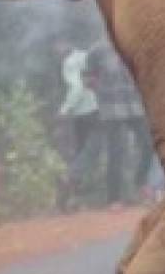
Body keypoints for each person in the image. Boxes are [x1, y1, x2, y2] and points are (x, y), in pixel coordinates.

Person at [91, 43, 153, 207]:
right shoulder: (96, 51)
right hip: (112, 108)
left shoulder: (133, 44)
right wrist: (103, 92)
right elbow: (88, 80)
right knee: (116, 152)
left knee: (149, 143)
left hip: (134, 105)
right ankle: (114, 198)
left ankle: (140, 181)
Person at [56, 40, 103, 209]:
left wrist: (65, 109)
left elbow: (77, 87)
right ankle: (73, 192)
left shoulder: (69, 62)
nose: (56, 51)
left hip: (84, 111)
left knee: (87, 149)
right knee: (88, 150)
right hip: (94, 108)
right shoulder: (86, 56)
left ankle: (71, 182)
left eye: (57, 46)